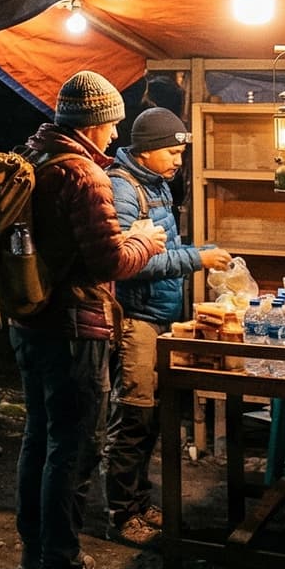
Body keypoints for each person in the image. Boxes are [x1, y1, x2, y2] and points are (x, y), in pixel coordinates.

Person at [10, 70, 166, 569]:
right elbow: (109, 260)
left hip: (29, 322)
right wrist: (143, 240)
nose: (117, 138)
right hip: (76, 328)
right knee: (74, 449)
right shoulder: (84, 176)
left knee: (40, 439)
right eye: (113, 125)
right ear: (94, 122)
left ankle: (35, 553)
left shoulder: (32, 159)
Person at [104, 107, 231, 544]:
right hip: (136, 321)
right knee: (134, 418)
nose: (179, 159)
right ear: (149, 150)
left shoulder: (156, 187)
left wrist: (202, 251)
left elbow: (163, 249)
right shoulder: (124, 190)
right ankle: (121, 514)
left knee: (154, 418)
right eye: (173, 151)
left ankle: (139, 502)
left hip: (161, 319)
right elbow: (129, 264)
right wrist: (197, 258)